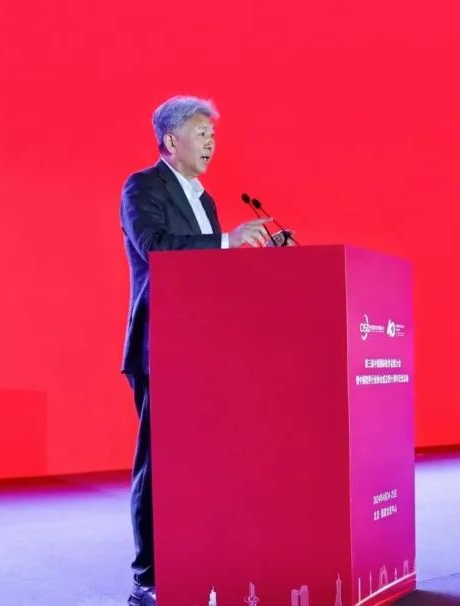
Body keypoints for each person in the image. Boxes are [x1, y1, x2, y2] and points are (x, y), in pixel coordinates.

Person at [119, 95, 276, 606]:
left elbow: (211, 274)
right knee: (159, 464)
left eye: (213, 134)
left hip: (206, 350)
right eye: (201, 133)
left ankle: (200, 563)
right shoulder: (143, 186)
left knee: (207, 463)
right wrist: (228, 241)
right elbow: (157, 249)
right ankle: (148, 578)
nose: (211, 142)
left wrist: (260, 262)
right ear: (171, 140)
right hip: (161, 346)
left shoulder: (205, 201)